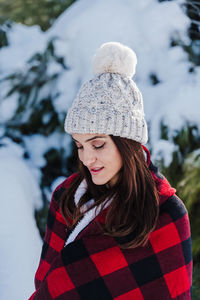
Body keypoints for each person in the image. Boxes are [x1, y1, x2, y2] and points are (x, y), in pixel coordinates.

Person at [28, 42, 192, 300]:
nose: (87, 158)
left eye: (98, 144)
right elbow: (48, 286)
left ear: (128, 142)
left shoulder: (167, 213)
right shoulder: (66, 197)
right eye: (79, 146)